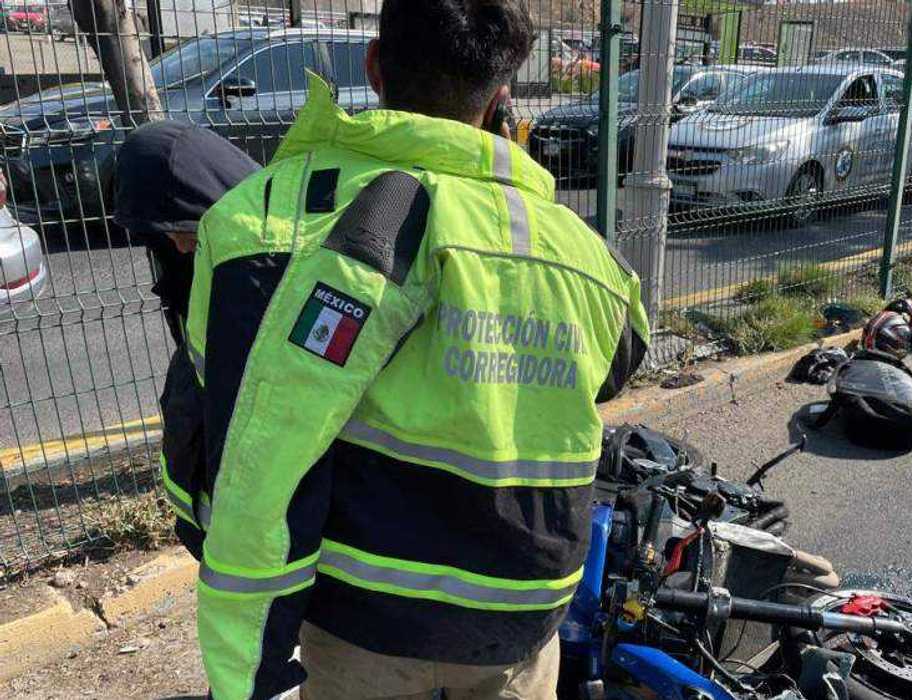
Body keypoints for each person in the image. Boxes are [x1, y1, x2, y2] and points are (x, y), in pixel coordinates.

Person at [183, 1, 649, 698]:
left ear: (372, 67)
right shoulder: (583, 252)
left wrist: (248, 666)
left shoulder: (260, 214)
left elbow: (254, 451)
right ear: (499, 99)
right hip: (523, 618)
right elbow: (618, 366)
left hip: (368, 623)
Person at [112, 121, 259, 560]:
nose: (177, 246)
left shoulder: (257, 272)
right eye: (164, 233)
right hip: (212, 517)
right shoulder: (188, 268)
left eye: (183, 229)